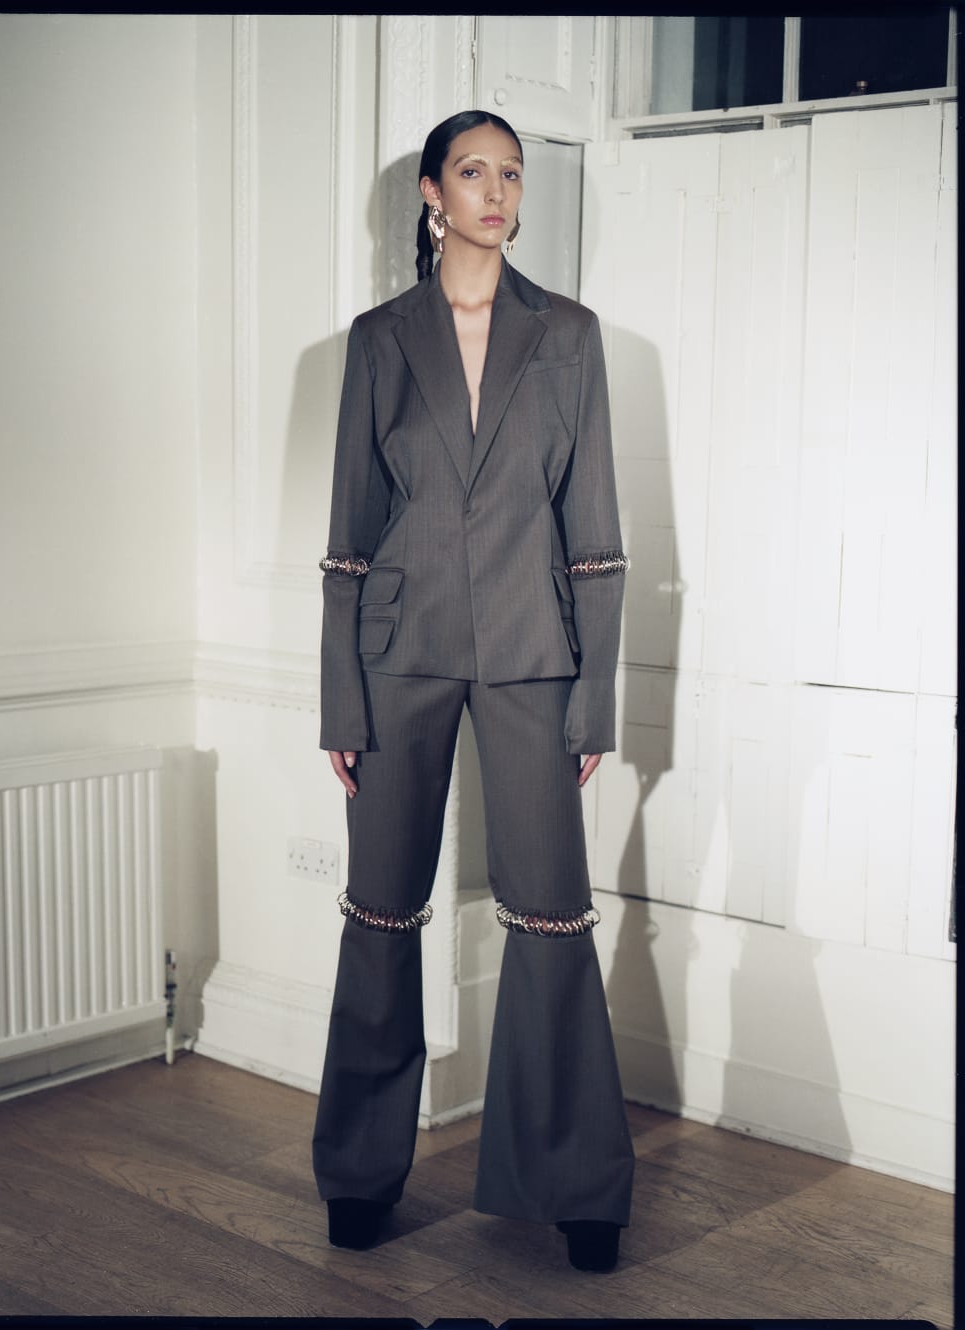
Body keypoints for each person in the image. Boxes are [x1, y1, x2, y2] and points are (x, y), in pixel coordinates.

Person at [312, 110, 635, 1273]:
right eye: (473, 172)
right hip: (397, 657)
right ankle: (357, 1170)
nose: (495, 191)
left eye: (510, 175)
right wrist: (338, 702)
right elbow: (349, 535)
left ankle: (579, 1186)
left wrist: (594, 696)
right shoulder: (377, 338)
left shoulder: (572, 335)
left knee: (551, 914)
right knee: (381, 913)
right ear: (430, 198)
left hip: (535, 659)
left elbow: (593, 533)